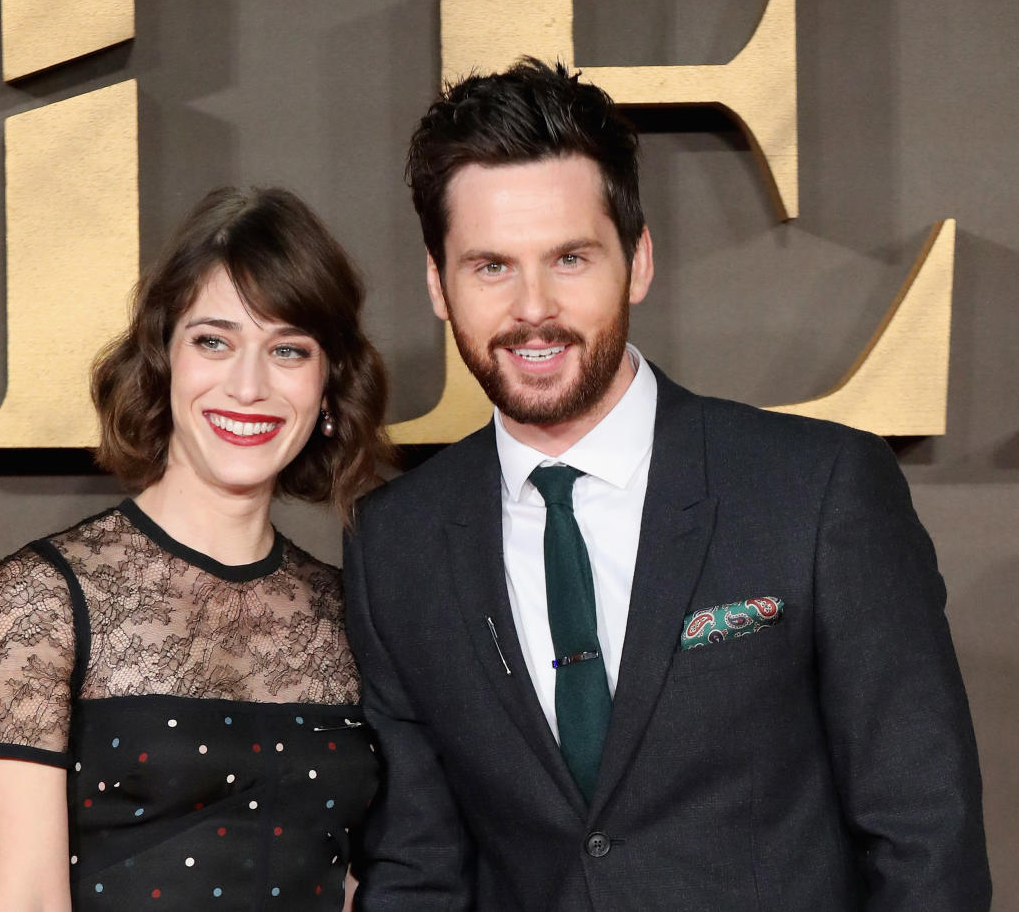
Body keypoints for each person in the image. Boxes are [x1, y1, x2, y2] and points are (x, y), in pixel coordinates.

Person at [344, 59, 990, 911]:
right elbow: (418, 870)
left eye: (570, 257)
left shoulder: (817, 489)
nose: (533, 307)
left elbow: (924, 835)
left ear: (638, 261)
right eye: (491, 266)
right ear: (439, 284)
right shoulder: (397, 543)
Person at [0, 186, 393, 911]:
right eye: (214, 341)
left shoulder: (352, 610)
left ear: (329, 386)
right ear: (162, 358)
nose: (248, 386)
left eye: (288, 349)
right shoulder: (44, 601)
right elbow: (26, 898)